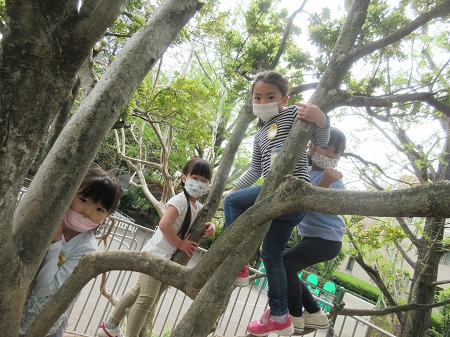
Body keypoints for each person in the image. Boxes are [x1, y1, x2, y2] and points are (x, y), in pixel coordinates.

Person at [223, 70, 330, 336]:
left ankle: (240, 262)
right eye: (257, 97)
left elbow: (320, 143)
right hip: (276, 199)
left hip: (294, 193)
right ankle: (280, 316)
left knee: (234, 204)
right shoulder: (259, 135)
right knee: (273, 257)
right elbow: (255, 169)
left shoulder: (293, 114)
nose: (263, 101)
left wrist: (322, 120)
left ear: (284, 98)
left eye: (270, 96)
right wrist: (234, 189)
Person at [97, 158, 216, 337]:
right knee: (146, 300)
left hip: (164, 257)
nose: (199, 183)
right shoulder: (179, 201)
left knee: (136, 292)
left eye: (204, 181)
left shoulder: (197, 207)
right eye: (195, 178)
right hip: (156, 255)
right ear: (184, 178)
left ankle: (110, 326)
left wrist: (210, 227)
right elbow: (164, 225)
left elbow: (197, 225)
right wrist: (180, 244)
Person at [19, 167, 122, 337]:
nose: (87, 212)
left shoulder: (87, 249)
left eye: (99, 210)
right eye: (83, 200)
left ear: (108, 214)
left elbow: (46, 287)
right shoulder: (40, 218)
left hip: (39, 326)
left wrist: (56, 241)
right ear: (71, 193)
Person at [284, 127, 347, 333]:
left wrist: (326, 182)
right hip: (312, 237)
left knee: (286, 263)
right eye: (325, 148)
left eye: (335, 152)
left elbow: (318, 204)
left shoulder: (335, 179)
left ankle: (294, 315)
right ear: (312, 147)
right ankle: (316, 314)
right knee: (287, 265)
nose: (329, 154)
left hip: (328, 240)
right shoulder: (303, 172)